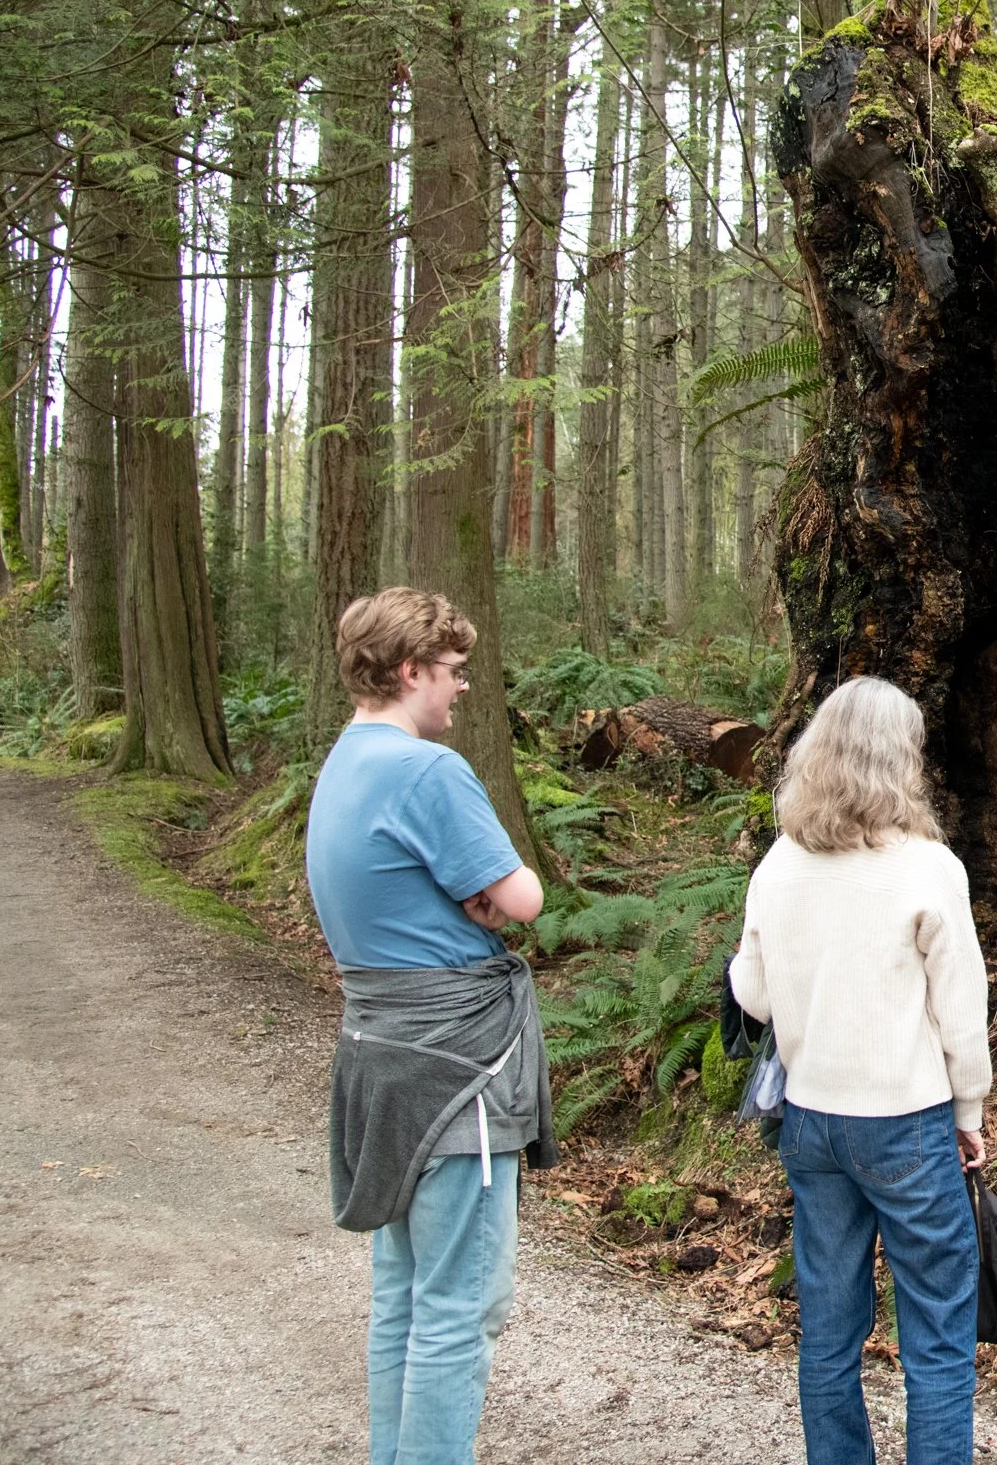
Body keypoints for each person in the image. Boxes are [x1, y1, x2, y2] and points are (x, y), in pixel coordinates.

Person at [305, 587, 551, 1465]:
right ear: (410, 670)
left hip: (379, 1054)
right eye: (451, 672)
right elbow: (524, 897)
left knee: (403, 1293)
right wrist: (483, 897)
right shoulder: (427, 770)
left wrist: (468, 896)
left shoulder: (343, 760)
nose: (462, 688)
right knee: (460, 1304)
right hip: (455, 1071)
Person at [728, 677, 990, 1465]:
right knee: (938, 1335)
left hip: (811, 1121)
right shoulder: (927, 867)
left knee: (830, 1332)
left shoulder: (780, 862)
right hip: (906, 1121)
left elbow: (753, 994)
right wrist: (969, 1111)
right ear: (899, 758)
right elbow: (961, 1014)